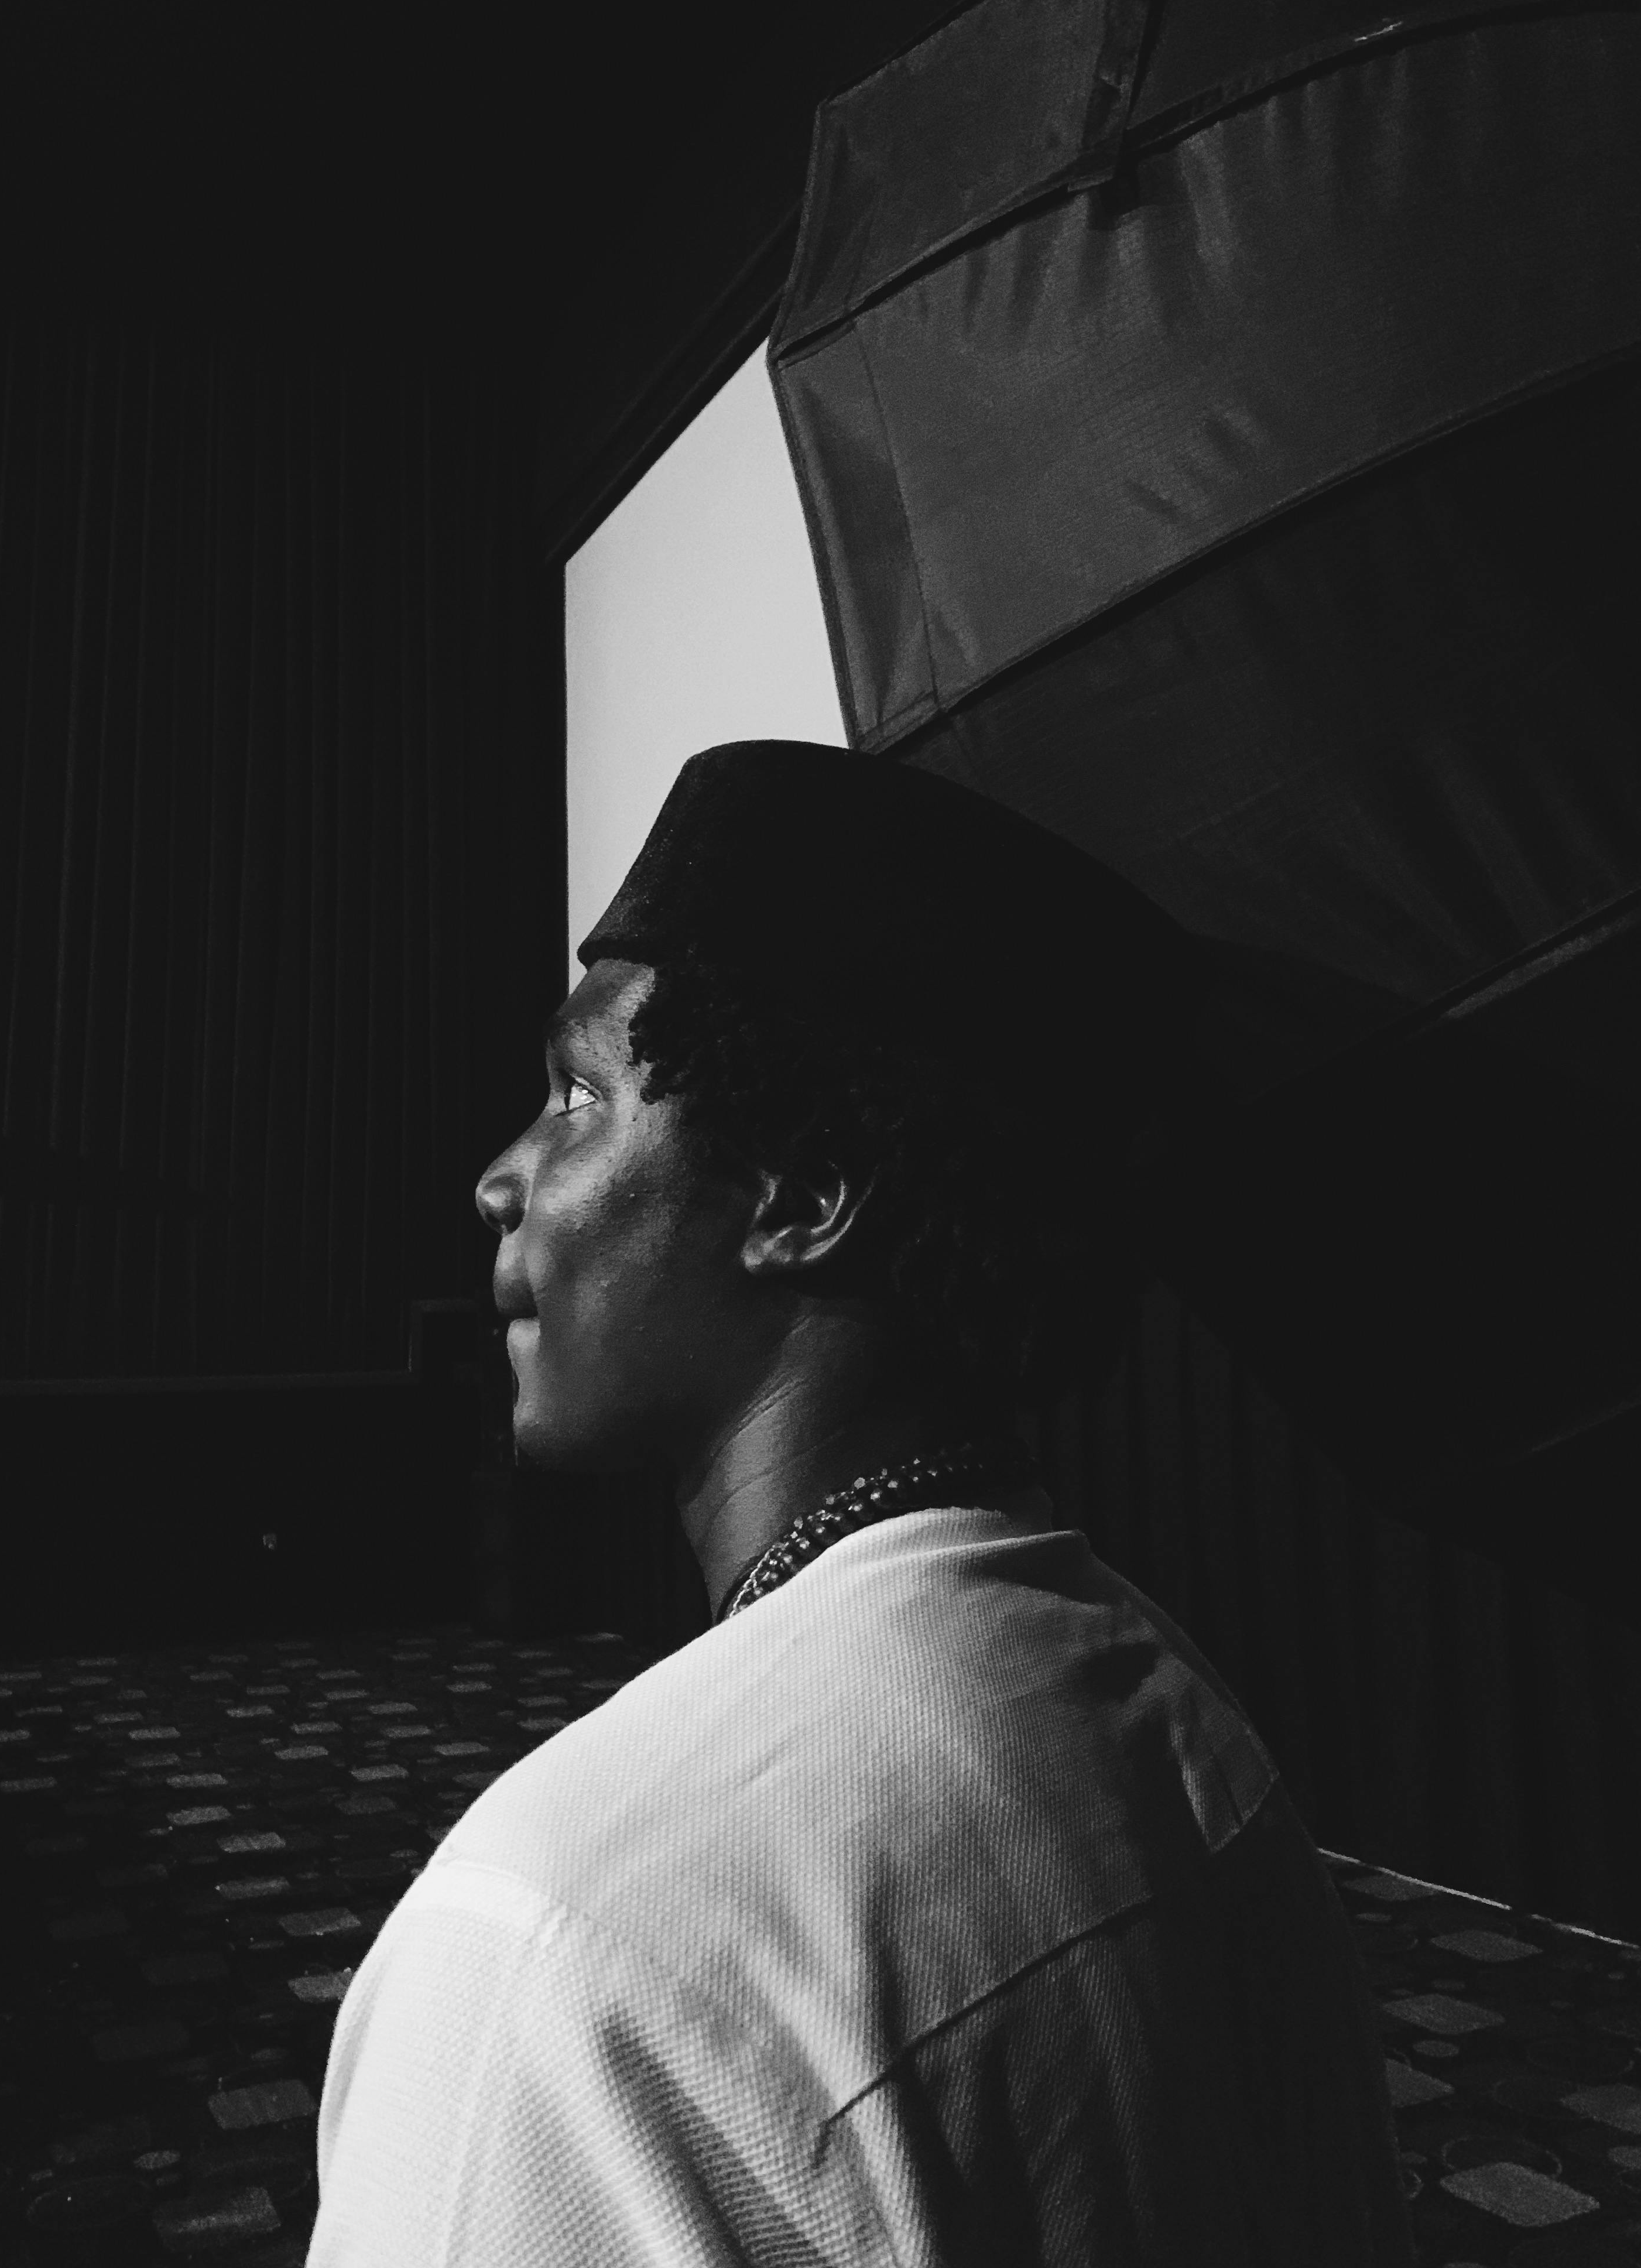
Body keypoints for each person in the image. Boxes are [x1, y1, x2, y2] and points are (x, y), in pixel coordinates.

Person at [309, 741, 1414, 2265]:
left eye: (578, 1094)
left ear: (804, 1193)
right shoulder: (1189, 1738)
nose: (505, 1178)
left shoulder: (561, 1945)